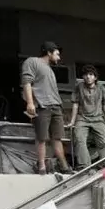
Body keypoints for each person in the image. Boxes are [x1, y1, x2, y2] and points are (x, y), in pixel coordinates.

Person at [21, 41, 72, 175]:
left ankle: (64, 166)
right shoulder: (32, 62)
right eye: (57, 54)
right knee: (42, 138)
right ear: (49, 52)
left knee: (57, 138)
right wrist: (30, 103)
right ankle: (41, 167)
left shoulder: (49, 69)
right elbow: (27, 82)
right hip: (42, 105)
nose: (59, 58)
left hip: (56, 106)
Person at [70, 65, 105, 171]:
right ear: (83, 77)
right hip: (82, 118)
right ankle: (84, 166)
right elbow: (75, 104)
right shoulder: (79, 86)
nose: (88, 77)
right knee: (79, 139)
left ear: (95, 77)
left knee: (103, 142)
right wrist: (72, 121)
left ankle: (104, 166)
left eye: (91, 74)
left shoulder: (101, 88)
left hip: (98, 119)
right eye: (86, 75)